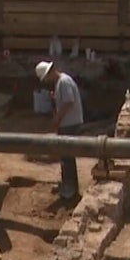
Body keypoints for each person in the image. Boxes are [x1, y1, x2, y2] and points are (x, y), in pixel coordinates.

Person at [35, 61, 83, 201]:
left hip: (69, 123)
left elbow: (69, 102)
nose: (47, 81)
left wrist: (57, 118)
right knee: (65, 156)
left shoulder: (64, 82)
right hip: (68, 123)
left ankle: (71, 189)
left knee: (67, 156)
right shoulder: (61, 82)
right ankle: (68, 185)